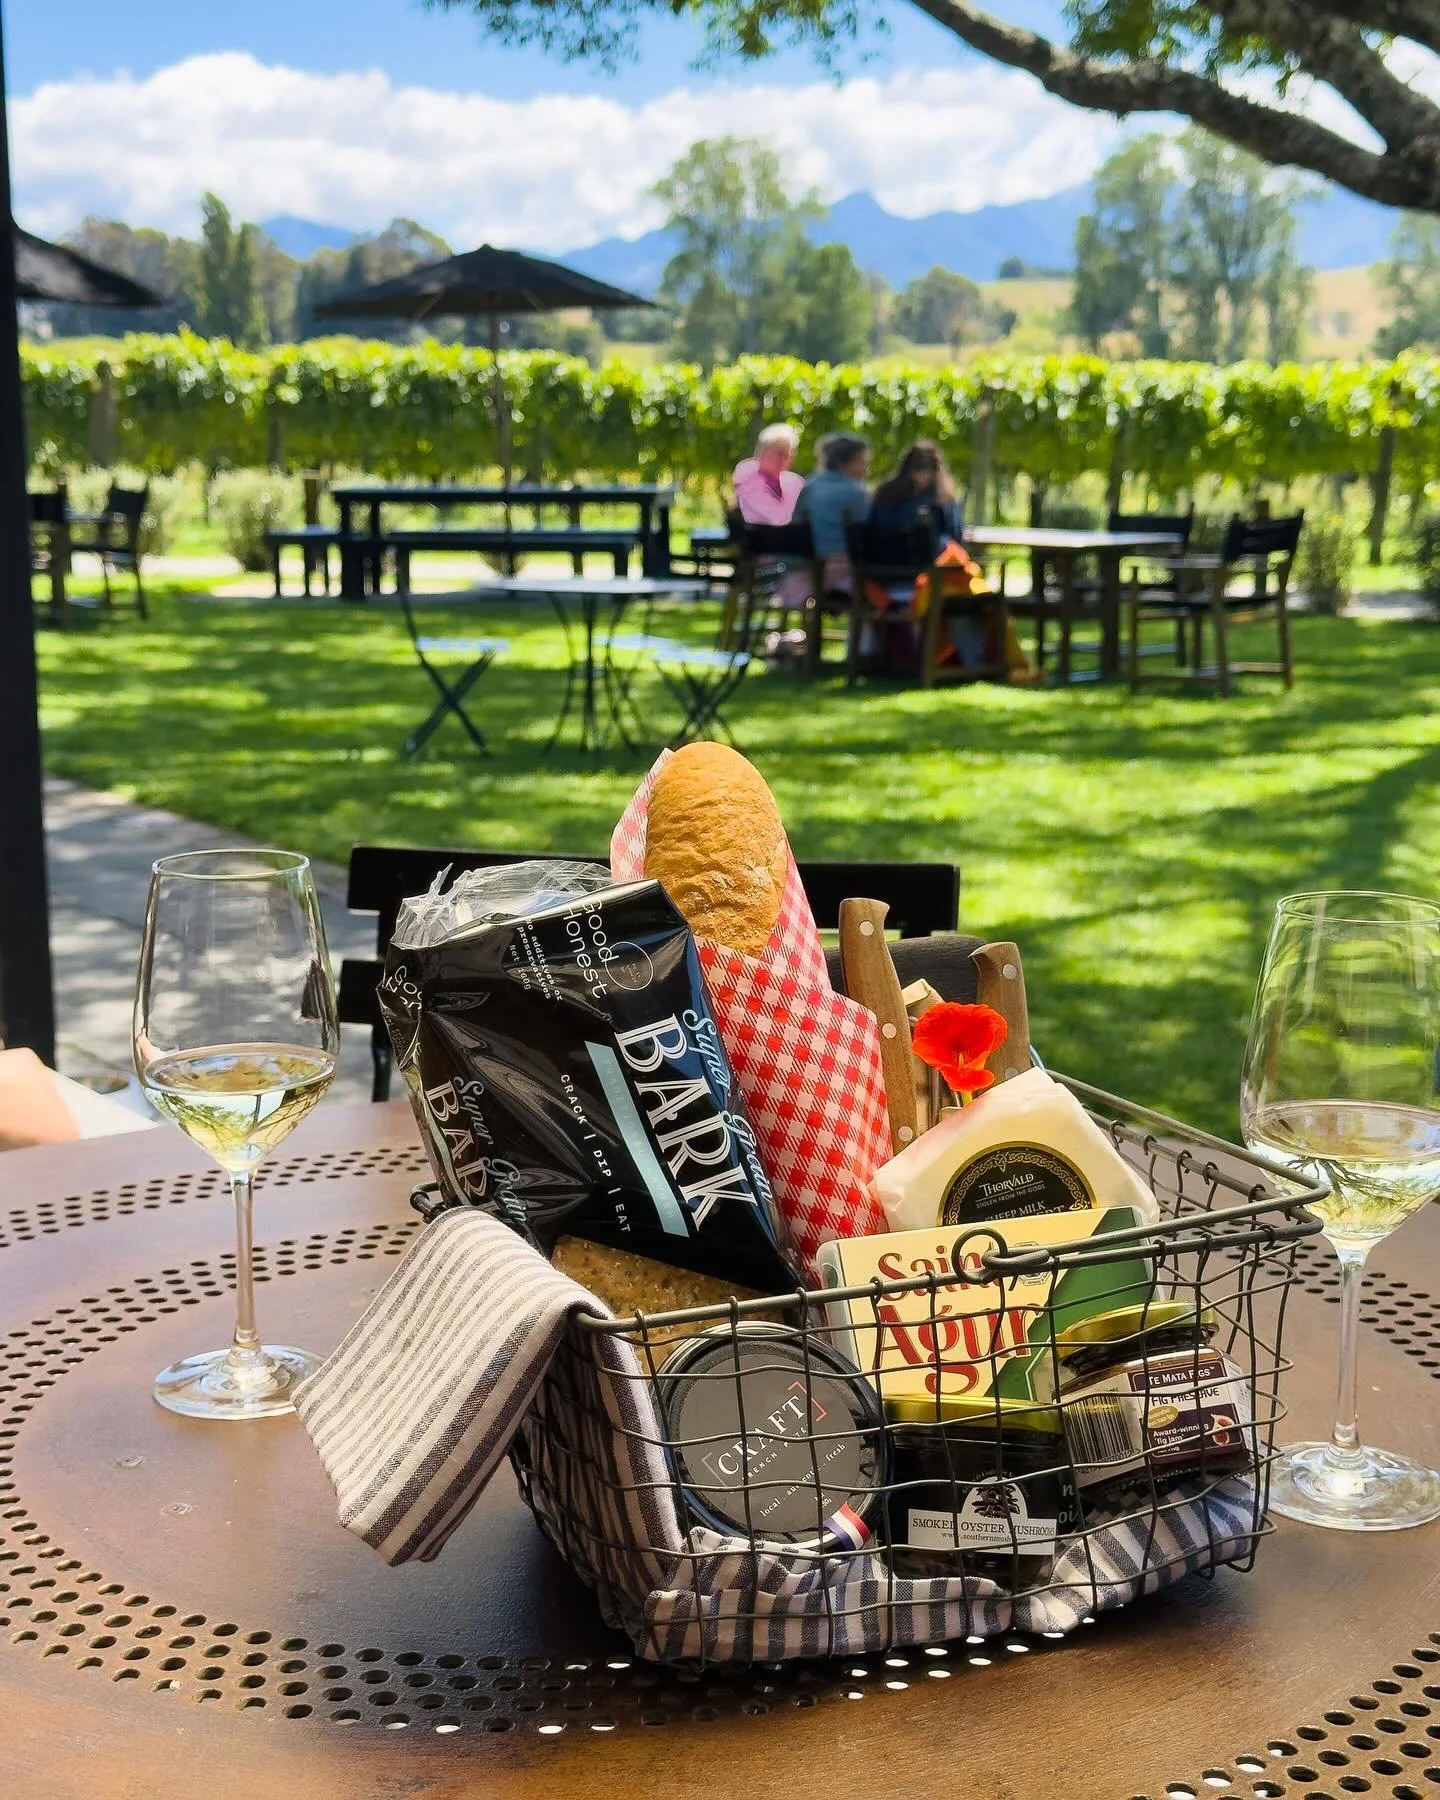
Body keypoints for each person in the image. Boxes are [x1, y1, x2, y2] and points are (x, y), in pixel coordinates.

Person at [868, 440, 963, 552]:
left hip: (888, 559)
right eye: (918, 469)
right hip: (899, 556)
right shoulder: (888, 496)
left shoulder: (945, 501)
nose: (921, 477)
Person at [794, 433, 871, 565]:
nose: (866, 469)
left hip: (807, 566)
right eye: (862, 462)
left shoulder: (808, 488)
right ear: (845, 463)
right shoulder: (857, 493)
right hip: (848, 567)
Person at [732, 423, 805, 525]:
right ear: (763, 452)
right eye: (779, 453)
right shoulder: (746, 477)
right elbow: (778, 518)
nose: (784, 459)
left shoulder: (796, 483)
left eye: (788, 454)